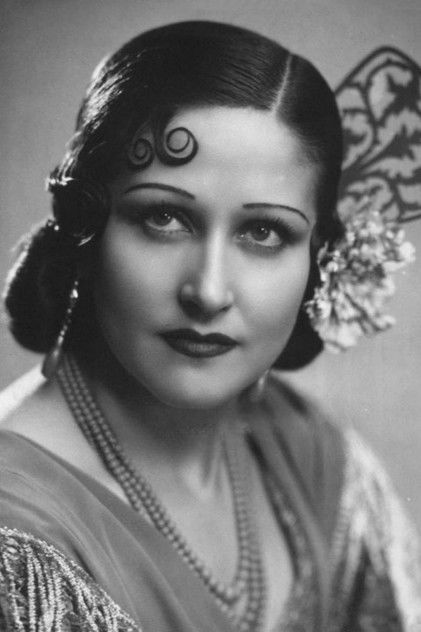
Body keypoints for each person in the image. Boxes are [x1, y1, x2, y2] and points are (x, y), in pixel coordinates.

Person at [0, 20, 420, 632]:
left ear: (319, 258)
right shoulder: (17, 538)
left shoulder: (316, 459)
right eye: (164, 218)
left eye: (264, 231)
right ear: (85, 228)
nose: (209, 290)